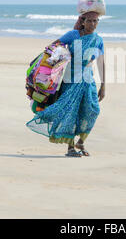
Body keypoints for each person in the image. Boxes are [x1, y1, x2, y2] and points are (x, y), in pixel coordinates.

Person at [26, 11, 106, 157]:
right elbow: (53, 46)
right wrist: (62, 55)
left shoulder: (98, 40)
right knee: (70, 111)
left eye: (95, 21)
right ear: (83, 21)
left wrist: (103, 86)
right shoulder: (73, 35)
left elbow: (101, 62)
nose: (92, 24)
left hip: (88, 80)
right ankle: (70, 148)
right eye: (90, 21)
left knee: (93, 110)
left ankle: (80, 142)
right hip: (71, 79)